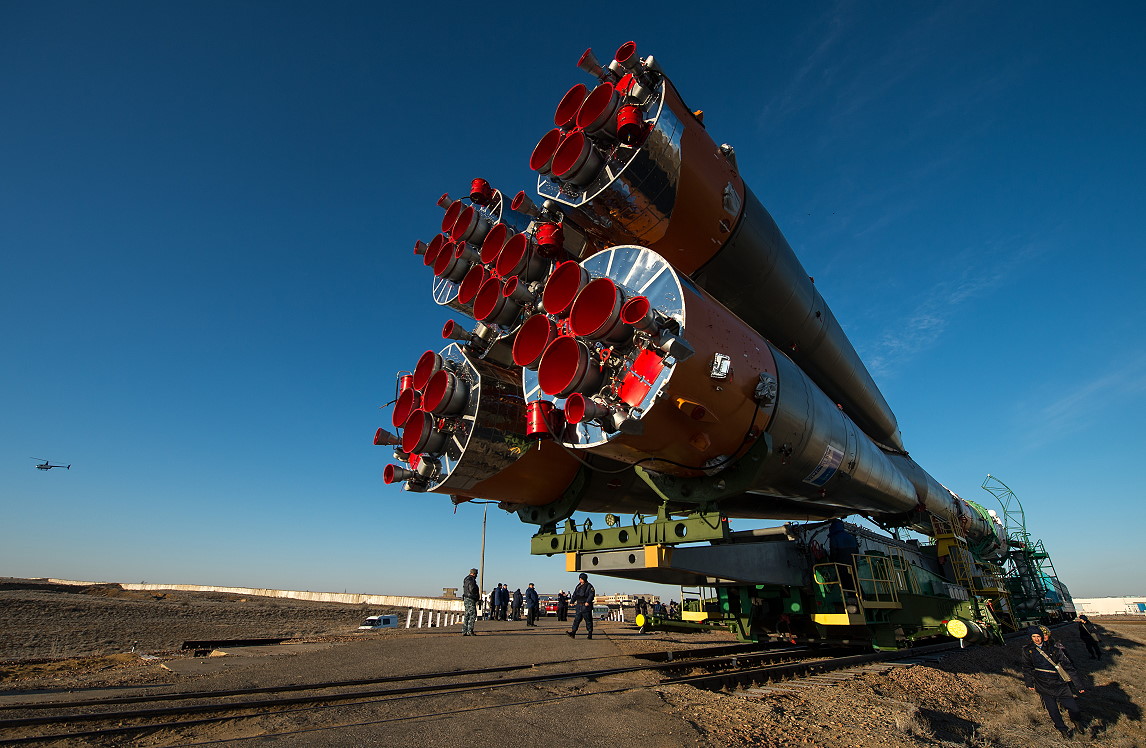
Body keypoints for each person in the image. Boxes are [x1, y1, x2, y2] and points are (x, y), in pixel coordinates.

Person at [1022, 625, 1085, 738]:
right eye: (1034, 636)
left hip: (1059, 683)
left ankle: (1077, 721)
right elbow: (1027, 668)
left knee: (1073, 708)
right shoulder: (1028, 650)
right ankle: (1062, 730)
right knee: (1053, 710)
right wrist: (1029, 682)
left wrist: (1078, 685)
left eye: (1039, 636)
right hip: (1043, 684)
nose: (1037, 639)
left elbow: (1068, 666)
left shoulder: (1054, 649)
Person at [566, 572, 596, 639]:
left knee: (588, 620)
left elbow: (591, 595)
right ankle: (573, 633)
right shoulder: (578, 586)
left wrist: (588, 601)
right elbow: (575, 594)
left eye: (581, 579)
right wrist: (572, 601)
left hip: (586, 606)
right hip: (579, 606)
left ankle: (590, 634)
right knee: (576, 620)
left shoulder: (589, 586)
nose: (580, 580)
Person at [461, 568, 479, 636]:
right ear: (474, 573)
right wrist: (475, 595)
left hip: (466, 598)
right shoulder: (472, 580)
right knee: (472, 615)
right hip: (471, 598)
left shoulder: (466, 579)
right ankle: (470, 630)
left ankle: (464, 630)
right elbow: (472, 589)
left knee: (467, 614)